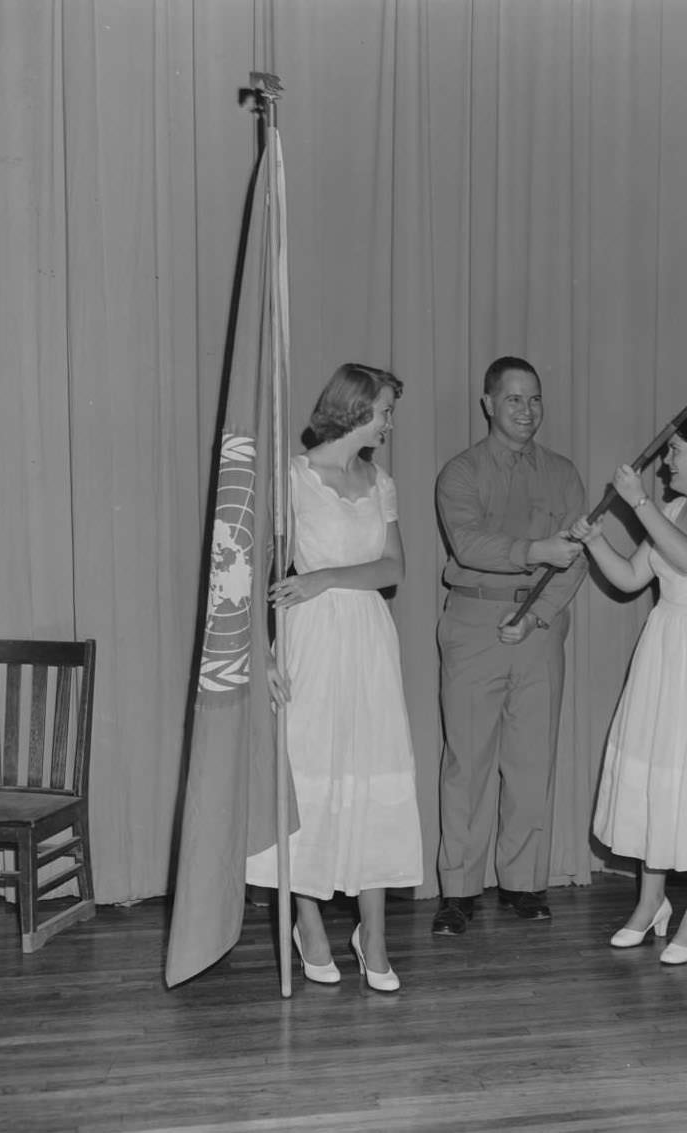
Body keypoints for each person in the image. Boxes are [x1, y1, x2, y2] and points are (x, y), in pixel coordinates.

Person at [245, 363, 423, 991]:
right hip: (309, 641)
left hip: (369, 639)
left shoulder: (381, 482)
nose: (391, 423)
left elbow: (393, 568)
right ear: (353, 412)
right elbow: (247, 574)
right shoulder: (289, 479)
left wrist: (323, 578)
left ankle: (372, 935)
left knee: (372, 776)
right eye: (385, 411)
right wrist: (262, 653)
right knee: (310, 778)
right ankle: (309, 922)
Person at [567, 411, 687, 965]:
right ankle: (650, 905)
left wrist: (637, 503)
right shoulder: (673, 510)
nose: (666, 462)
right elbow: (629, 578)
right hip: (665, 649)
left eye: (674, 452)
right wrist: (595, 540)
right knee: (658, 775)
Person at [431, 356, 587, 935]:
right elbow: (469, 543)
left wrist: (539, 614)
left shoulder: (564, 473)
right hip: (475, 623)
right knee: (467, 762)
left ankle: (524, 883)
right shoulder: (461, 472)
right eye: (514, 399)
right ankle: (458, 891)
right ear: (488, 404)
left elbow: (576, 556)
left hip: (539, 628)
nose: (526, 411)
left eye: (535, 399)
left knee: (530, 762)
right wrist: (534, 552)